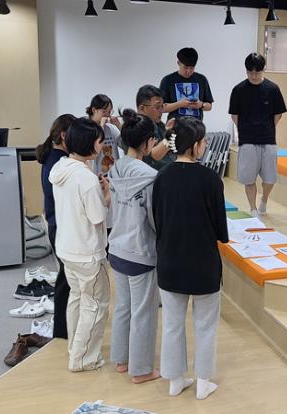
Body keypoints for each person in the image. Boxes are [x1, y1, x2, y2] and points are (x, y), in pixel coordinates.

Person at [152, 117, 228, 400]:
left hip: (170, 260)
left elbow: (157, 219)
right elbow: (221, 229)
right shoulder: (210, 179)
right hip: (203, 263)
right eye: (204, 140)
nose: (206, 144)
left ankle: (175, 380)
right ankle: (203, 382)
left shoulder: (162, 177)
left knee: (172, 324)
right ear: (195, 145)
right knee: (206, 325)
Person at [49, 117, 112, 371]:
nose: (101, 145)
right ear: (89, 143)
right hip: (87, 252)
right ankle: (84, 359)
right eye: (99, 141)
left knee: (77, 299)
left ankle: (75, 348)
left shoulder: (61, 168)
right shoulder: (85, 179)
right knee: (95, 305)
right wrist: (106, 196)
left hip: (67, 248)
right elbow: (97, 217)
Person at [107, 109, 161, 384]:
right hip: (140, 251)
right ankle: (141, 370)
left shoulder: (114, 169)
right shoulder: (151, 176)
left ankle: (122, 360)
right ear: (149, 142)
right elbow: (154, 219)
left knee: (123, 307)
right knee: (143, 312)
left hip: (116, 248)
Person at [229, 52, 287, 216]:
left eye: (257, 72)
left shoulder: (272, 89)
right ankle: (253, 208)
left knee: (270, 178)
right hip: (247, 140)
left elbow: (278, 113)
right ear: (246, 71)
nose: (253, 76)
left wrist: (268, 127)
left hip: (268, 138)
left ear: (263, 70)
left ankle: (264, 200)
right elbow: (234, 115)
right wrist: (246, 129)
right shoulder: (239, 90)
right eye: (250, 72)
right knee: (249, 178)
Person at [35, 113, 76, 339]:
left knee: (65, 279)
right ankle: (61, 331)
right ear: (63, 136)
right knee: (65, 281)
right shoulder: (59, 163)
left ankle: (63, 329)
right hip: (60, 226)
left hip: (56, 223)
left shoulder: (54, 156)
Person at [160, 47, 214, 123]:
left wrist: (201, 105)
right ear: (178, 63)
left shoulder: (202, 79)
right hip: (174, 125)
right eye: (185, 67)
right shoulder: (168, 80)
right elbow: (161, 108)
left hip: (196, 126)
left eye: (192, 68)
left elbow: (209, 106)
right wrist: (179, 104)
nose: (188, 71)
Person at [135, 84, 175, 170]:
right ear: (142, 108)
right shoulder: (134, 128)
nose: (161, 111)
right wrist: (170, 135)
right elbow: (154, 156)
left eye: (162, 106)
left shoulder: (159, 125)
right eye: (157, 107)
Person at [86, 94, 123, 176]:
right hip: (96, 175)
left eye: (109, 112)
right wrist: (101, 126)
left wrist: (119, 126)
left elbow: (123, 144)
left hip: (113, 175)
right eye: (104, 111)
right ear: (94, 110)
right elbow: (93, 148)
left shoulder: (110, 128)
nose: (107, 115)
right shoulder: (86, 128)